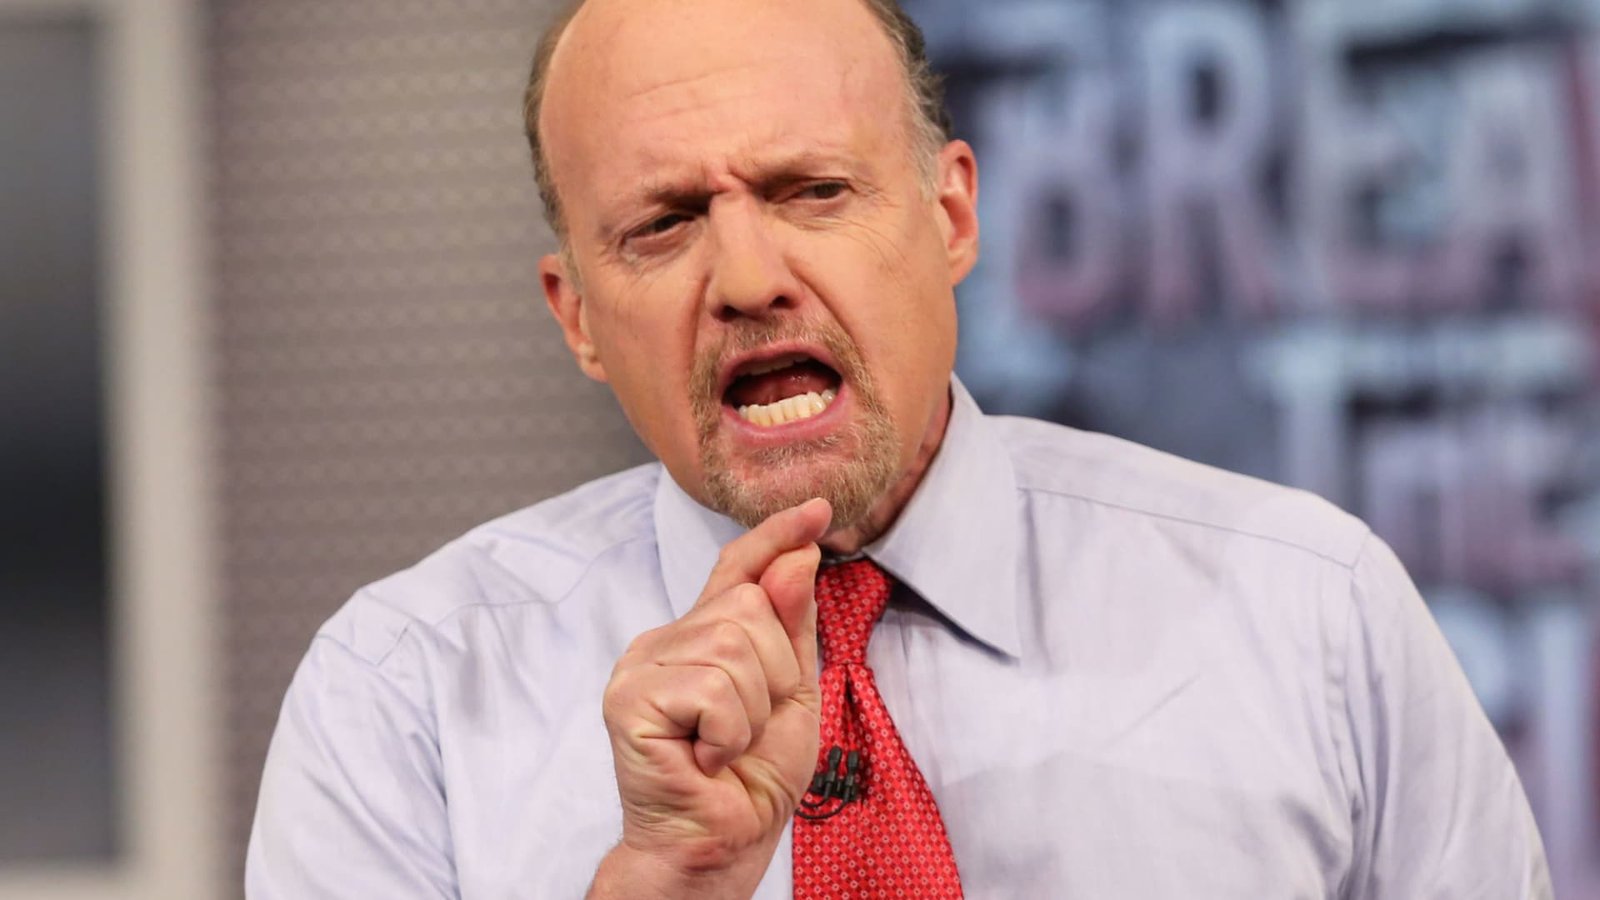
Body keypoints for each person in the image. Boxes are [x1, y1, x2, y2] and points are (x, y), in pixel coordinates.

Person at [245, 0, 1552, 896]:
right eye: (664, 223)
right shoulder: (406, 694)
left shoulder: (1311, 611)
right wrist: (664, 883)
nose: (748, 277)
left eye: (814, 191)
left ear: (952, 217)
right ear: (578, 316)